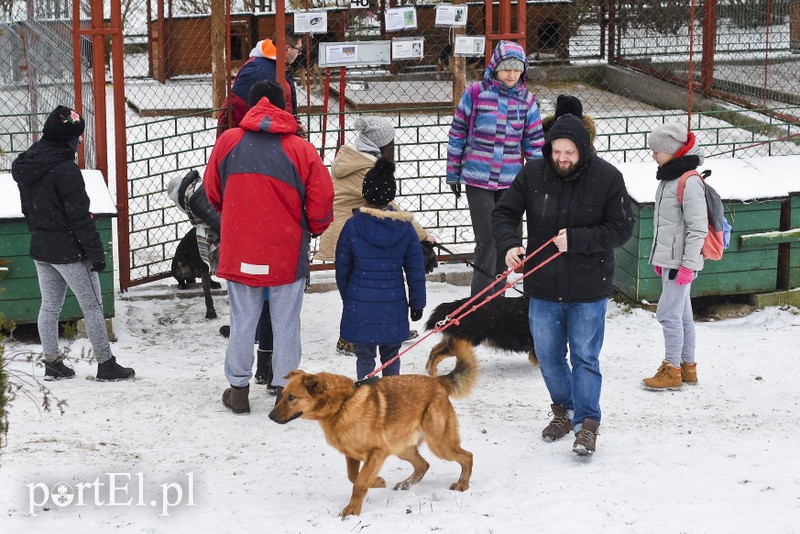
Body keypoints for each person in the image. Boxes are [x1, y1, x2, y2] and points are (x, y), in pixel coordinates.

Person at [492, 113, 634, 456]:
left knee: (585, 357)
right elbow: (504, 213)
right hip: (543, 288)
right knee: (548, 356)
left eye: (569, 152)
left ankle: (587, 424)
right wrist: (510, 243)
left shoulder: (607, 178)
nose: (562, 158)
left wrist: (579, 240)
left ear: (582, 149)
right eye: (557, 151)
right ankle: (564, 409)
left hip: (588, 289)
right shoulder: (533, 174)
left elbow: (621, 228)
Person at [205, 80, 334, 414]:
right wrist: (312, 227)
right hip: (285, 251)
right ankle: (285, 391)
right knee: (286, 322)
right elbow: (322, 202)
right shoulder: (301, 149)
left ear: (249, 106)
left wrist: (235, 216)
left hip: (240, 248)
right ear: (284, 107)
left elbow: (212, 191)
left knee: (242, 321)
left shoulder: (228, 142)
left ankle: (238, 391)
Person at [11, 105, 135, 382]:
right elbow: (80, 216)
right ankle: (106, 364)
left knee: (49, 307)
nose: (80, 141)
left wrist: (41, 233)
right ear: (66, 137)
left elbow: (28, 207)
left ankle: (52, 363)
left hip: (42, 247)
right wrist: (95, 252)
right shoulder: (66, 169)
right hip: (69, 251)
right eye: (77, 136)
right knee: (91, 306)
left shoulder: (29, 162)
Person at [315, 115, 436, 354]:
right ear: (383, 144)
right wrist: (423, 236)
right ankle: (350, 338)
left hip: (350, 228)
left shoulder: (353, 157)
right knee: (361, 287)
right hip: (353, 231)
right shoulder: (367, 167)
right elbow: (392, 207)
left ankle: (383, 328)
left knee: (364, 286)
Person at [446, 39, 544, 296]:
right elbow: (457, 133)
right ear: (494, 68)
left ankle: (497, 298)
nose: (511, 74)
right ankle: (480, 301)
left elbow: (534, 142)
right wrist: (453, 173)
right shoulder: (476, 93)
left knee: (506, 241)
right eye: (506, 68)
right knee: (488, 239)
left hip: (511, 183)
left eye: (517, 69)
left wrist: (535, 181)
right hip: (478, 180)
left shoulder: (526, 100)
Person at [335, 157, 426, 379]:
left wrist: (350, 297)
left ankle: (366, 400)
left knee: (365, 357)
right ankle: (391, 398)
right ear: (391, 195)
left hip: (360, 303)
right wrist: (417, 304)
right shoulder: (404, 228)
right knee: (391, 355)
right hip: (393, 304)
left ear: (364, 194)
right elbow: (415, 270)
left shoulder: (352, 226)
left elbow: (342, 267)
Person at [642, 122, 707, 390]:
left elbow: (697, 228)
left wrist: (687, 266)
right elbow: (667, 227)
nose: (653, 155)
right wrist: (660, 259)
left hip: (680, 264)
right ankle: (688, 367)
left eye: (657, 150)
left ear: (672, 150)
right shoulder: (670, 178)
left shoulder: (688, 181)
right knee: (681, 315)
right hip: (671, 262)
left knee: (667, 314)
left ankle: (672, 369)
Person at [217, 26, 304, 136]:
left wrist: (292, 125)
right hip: (259, 138)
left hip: (268, 136)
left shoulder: (276, 66)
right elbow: (238, 109)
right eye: (299, 49)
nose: (299, 54)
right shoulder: (258, 69)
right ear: (286, 49)